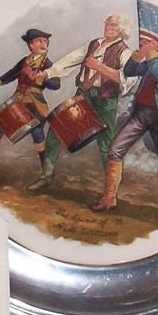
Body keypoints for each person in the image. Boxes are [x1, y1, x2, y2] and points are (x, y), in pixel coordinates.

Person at [91, 28, 158, 223]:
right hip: (141, 113)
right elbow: (129, 71)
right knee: (115, 151)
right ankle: (109, 199)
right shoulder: (156, 58)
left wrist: (151, 54)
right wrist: (140, 53)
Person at [27, 14, 136, 190]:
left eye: (113, 25)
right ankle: (46, 176)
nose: (108, 27)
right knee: (57, 129)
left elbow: (129, 79)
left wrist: (99, 67)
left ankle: (111, 191)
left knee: (106, 145)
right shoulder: (93, 44)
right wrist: (47, 73)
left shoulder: (125, 52)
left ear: (122, 29)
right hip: (84, 95)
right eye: (107, 23)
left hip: (105, 100)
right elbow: (70, 60)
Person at [0, 28, 60, 182]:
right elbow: (10, 76)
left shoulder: (48, 65)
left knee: (37, 135)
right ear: (30, 45)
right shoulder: (24, 62)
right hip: (19, 102)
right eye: (39, 41)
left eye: (45, 41)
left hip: (36, 105)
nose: (44, 43)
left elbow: (56, 84)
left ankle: (48, 174)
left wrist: (43, 78)